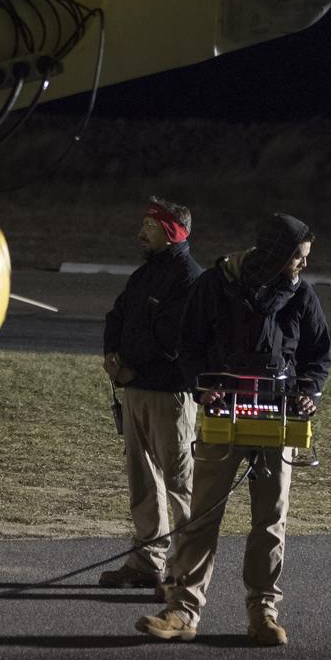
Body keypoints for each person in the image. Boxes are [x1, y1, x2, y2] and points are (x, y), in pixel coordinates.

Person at [137, 212, 331, 646]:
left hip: (276, 421)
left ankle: (263, 611)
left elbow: (318, 354)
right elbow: (188, 345)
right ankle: (183, 610)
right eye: (298, 257)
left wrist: (309, 393)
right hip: (223, 418)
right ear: (276, 254)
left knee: (270, 520)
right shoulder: (214, 284)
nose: (303, 265)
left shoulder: (302, 296)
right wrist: (202, 388)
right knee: (203, 516)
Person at [98, 197, 202, 590]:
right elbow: (117, 315)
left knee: (180, 484)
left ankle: (185, 571)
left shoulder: (188, 278)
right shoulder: (143, 275)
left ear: (172, 232)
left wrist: (131, 366)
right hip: (136, 390)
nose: (141, 232)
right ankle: (146, 563)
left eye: (150, 226)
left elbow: (172, 341)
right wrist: (112, 354)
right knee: (143, 481)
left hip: (170, 395)